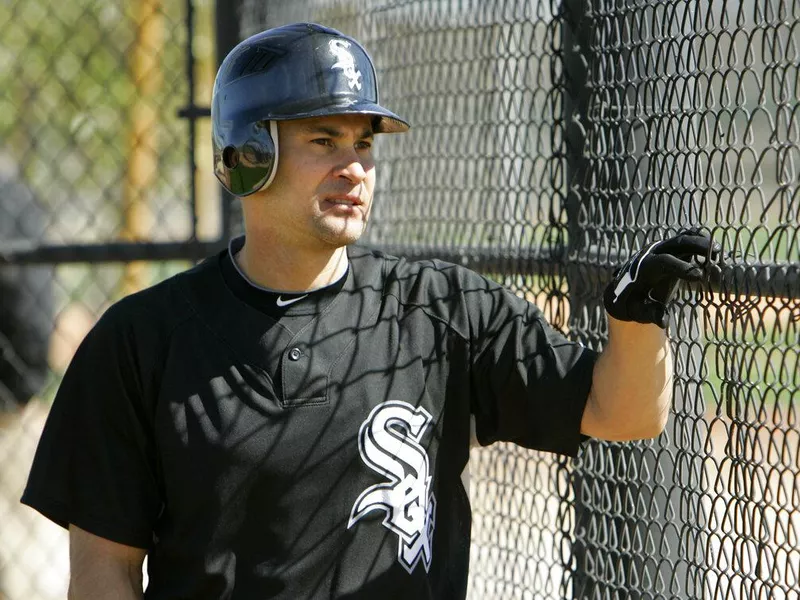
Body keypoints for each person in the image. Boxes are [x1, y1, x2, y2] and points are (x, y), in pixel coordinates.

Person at [21, 22, 719, 600]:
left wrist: (638, 316)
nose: (354, 168)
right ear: (247, 156)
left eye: (364, 144)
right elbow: (106, 567)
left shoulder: (442, 309)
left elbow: (624, 413)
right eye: (324, 142)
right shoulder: (143, 340)